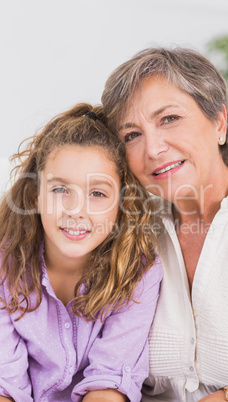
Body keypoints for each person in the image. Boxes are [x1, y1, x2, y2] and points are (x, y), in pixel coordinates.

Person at [101, 47, 228, 401]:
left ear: (219, 122)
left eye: (169, 119)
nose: (153, 148)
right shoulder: (122, 232)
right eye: (132, 135)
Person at [0, 103, 162, 402]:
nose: (76, 210)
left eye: (97, 193)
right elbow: (4, 385)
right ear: (35, 196)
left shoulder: (138, 271)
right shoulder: (5, 267)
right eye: (60, 190)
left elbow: (109, 383)